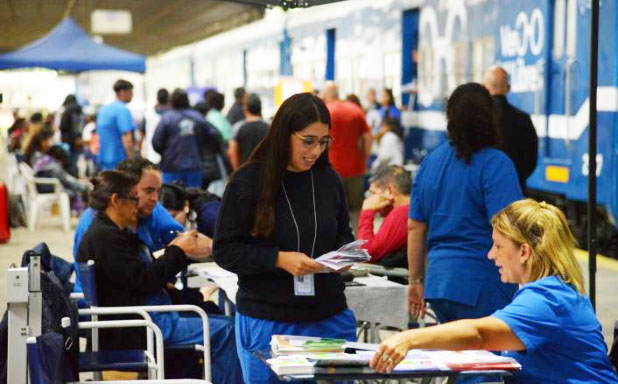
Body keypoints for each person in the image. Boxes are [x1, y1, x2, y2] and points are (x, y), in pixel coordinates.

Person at [371, 199, 618, 384]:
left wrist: (408, 338)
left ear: (524, 252)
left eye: (498, 245)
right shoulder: (554, 292)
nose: (491, 255)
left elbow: (480, 334)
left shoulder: (547, 299)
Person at [214, 93, 358, 383]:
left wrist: (346, 257)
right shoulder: (248, 182)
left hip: (328, 316)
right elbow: (225, 250)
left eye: (324, 141)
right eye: (308, 141)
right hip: (269, 320)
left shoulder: (328, 180)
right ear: (284, 135)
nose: (316, 151)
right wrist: (277, 259)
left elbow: (343, 234)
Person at [77, 170, 242, 383]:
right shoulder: (105, 238)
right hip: (142, 323)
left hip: (147, 315)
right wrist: (178, 251)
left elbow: (136, 276)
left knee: (226, 322)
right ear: (116, 201)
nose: (137, 205)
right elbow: (144, 280)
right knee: (227, 331)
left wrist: (175, 251)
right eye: (133, 199)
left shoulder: (110, 233)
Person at [408, 83, 522, 325]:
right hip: (483, 282)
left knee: (455, 359)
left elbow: (415, 227)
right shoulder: (496, 164)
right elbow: (511, 228)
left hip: (438, 285)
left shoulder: (431, 161)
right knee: (491, 361)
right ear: (490, 116)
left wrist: (415, 281)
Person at [483, 66, 538, 193]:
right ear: (508, 88)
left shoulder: (477, 118)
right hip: (515, 190)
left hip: (484, 193)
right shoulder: (523, 119)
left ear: (484, 88)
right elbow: (531, 160)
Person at [322, 81, 372, 212]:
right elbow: (367, 138)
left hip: (331, 167)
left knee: (333, 210)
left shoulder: (325, 111)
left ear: (327, 94)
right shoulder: (355, 110)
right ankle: (356, 232)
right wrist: (364, 160)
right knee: (356, 210)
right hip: (355, 167)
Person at [153, 88, 216, 188]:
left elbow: (156, 142)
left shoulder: (166, 118)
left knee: (170, 197)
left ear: (171, 101)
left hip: (171, 166)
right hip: (194, 166)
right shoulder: (197, 117)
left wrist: (167, 153)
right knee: (193, 198)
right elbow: (212, 135)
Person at [358, 164, 410, 268]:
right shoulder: (410, 208)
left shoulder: (401, 214)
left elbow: (365, 254)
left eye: (373, 193)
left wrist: (367, 212)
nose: (370, 199)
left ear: (390, 191)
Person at [96, 79, 136, 170]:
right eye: (131, 91)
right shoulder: (123, 110)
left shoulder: (104, 110)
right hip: (119, 162)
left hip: (105, 162)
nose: (132, 95)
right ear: (123, 92)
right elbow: (127, 139)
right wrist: (133, 162)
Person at [227, 93, 269, 170]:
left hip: (245, 171)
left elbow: (232, 152)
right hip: (266, 171)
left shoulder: (238, 127)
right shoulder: (269, 126)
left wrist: (237, 171)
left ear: (245, 108)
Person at [140, 88, 169, 164]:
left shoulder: (148, 115)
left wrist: (140, 153)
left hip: (151, 156)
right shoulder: (173, 116)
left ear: (157, 98)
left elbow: (141, 136)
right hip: (170, 158)